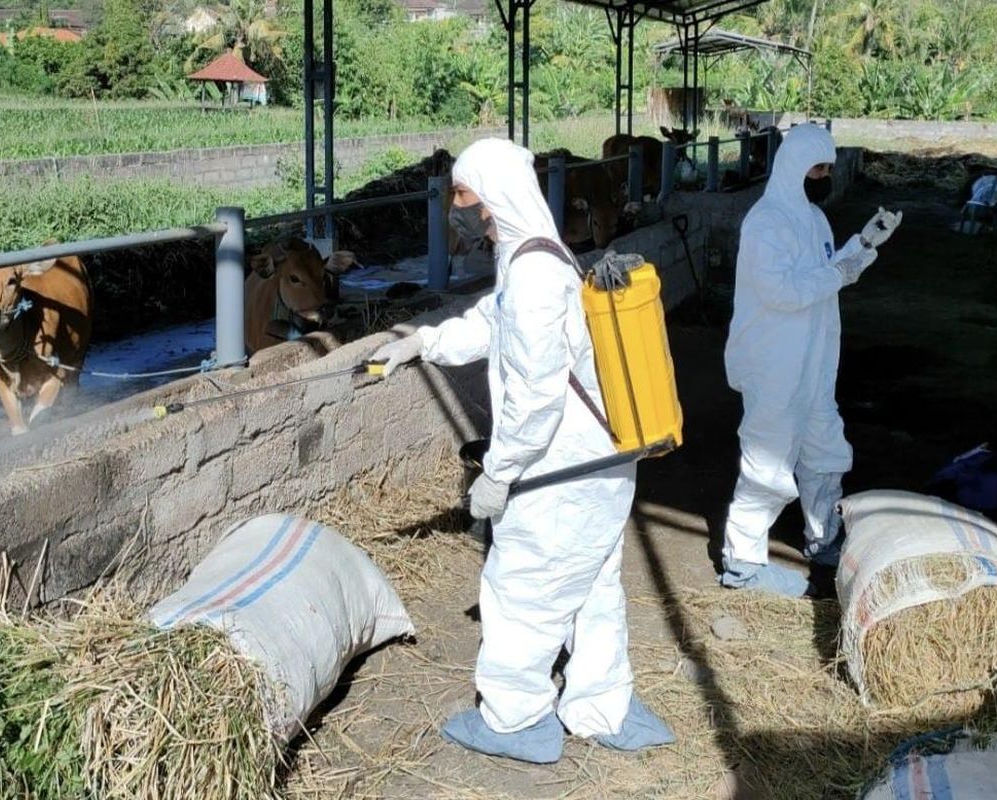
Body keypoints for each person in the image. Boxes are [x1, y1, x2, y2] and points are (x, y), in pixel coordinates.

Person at [370, 137, 674, 764]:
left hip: (562, 470)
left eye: (468, 197)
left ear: (497, 193)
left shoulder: (533, 271)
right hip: (597, 464)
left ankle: (516, 720)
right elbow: (491, 320)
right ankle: (602, 705)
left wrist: (499, 474)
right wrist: (424, 343)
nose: (464, 211)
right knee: (591, 586)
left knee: (521, 586)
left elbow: (536, 399)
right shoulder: (534, 254)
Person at [719, 123, 902, 597]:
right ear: (794, 167)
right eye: (817, 168)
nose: (823, 176)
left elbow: (828, 274)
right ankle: (742, 561)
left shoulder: (815, 220)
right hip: (774, 363)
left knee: (825, 453)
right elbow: (782, 292)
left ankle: (823, 539)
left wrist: (863, 246)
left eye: (827, 168)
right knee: (767, 460)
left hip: (814, 363)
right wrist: (838, 274)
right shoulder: (766, 222)